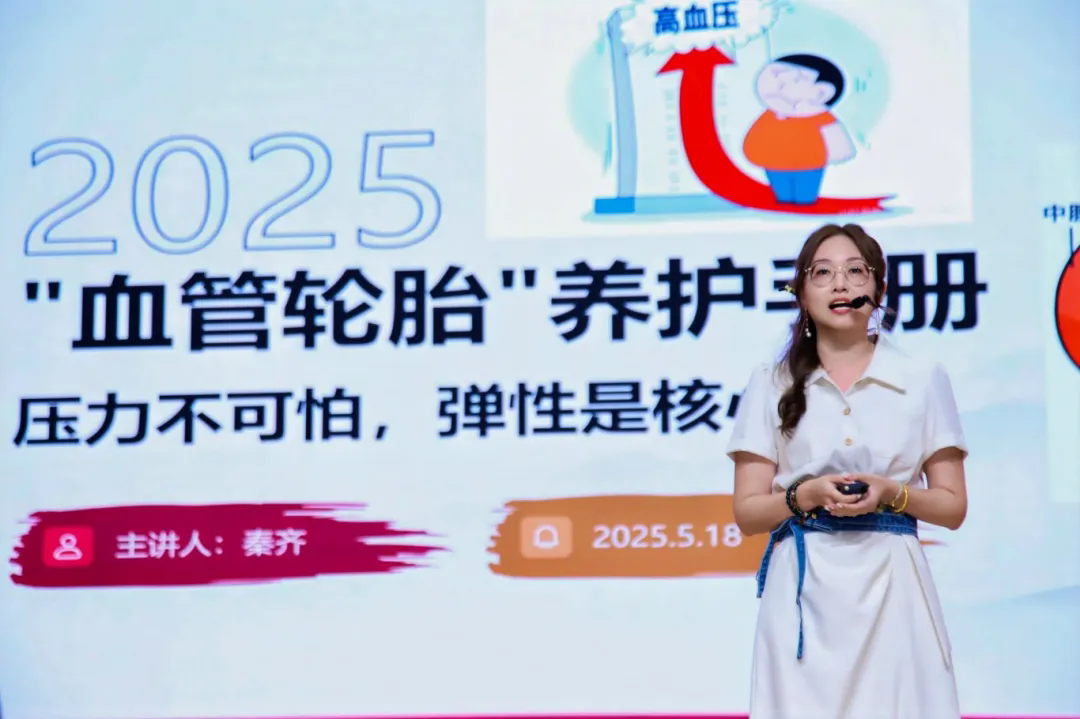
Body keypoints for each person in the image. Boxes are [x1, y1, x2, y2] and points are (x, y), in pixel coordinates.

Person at [726, 223, 969, 718]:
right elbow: (748, 513)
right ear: (800, 292)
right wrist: (805, 495)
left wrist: (892, 492)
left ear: (879, 288)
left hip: (892, 584)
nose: (840, 284)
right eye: (822, 273)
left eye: (856, 271)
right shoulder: (770, 382)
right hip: (802, 589)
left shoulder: (922, 377)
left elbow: (952, 506)